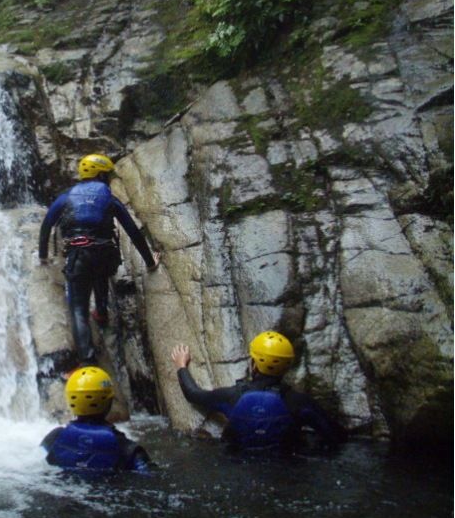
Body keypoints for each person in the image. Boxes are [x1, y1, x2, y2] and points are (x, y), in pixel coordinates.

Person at [39, 153, 160, 365]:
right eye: (107, 175)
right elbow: (133, 231)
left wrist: (43, 256)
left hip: (79, 255)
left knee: (78, 308)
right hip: (105, 254)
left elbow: (47, 225)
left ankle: (87, 361)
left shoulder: (66, 197)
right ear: (100, 175)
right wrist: (150, 262)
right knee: (101, 272)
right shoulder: (109, 199)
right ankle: (102, 312)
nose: (109, 179)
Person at [170, 331, 346, 450]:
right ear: (287, 368)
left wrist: (181, 366)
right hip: (286, 469)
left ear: (253, 364)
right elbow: (335, 436)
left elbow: (193, 395)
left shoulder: (232, 396)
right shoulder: (299, 402)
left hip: (237, 464)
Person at [41, 366, 151, 472]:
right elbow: (148, 475)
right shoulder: (126, 448)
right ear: (109, 402)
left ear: (71, 402)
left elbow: (36, 461)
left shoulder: (54, 438)